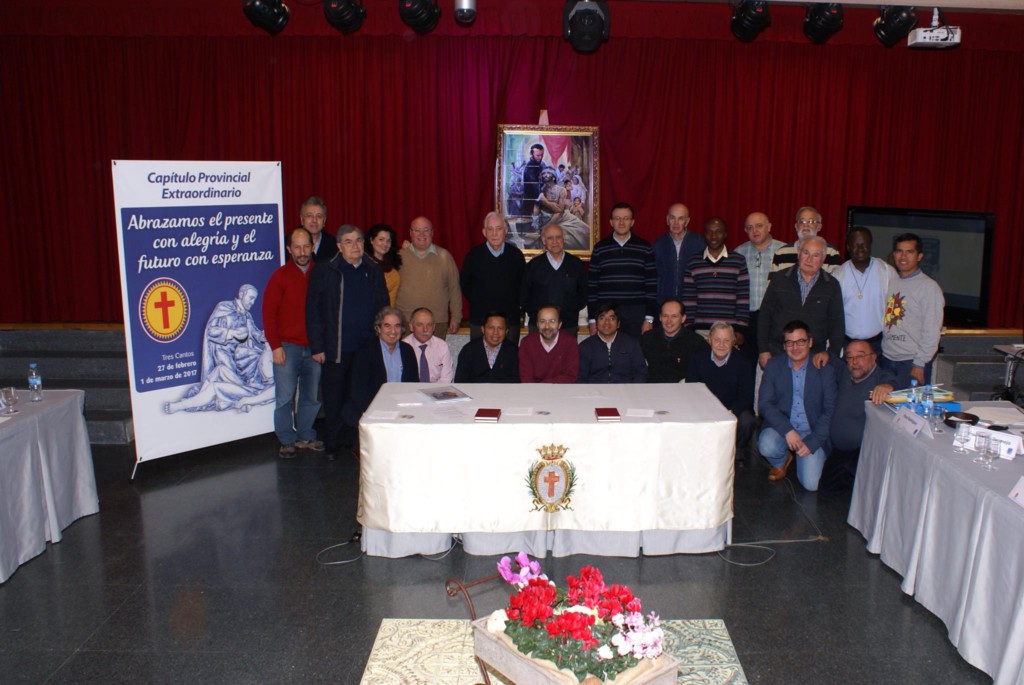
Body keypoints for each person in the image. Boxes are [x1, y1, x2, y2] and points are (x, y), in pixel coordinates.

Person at [306, 225, 389, 460]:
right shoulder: (326, 270)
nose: (355, 246)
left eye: (359, 241)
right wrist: (317, 346)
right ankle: (332, 444)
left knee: (360, 396)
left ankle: (355, 442)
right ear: (339, 246)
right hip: (335, 348)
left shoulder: (373, 269)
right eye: (349, 242)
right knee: (334, 398)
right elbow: (313, 311)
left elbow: (383, 306)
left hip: (366, 348)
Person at [262, 228, 323, 458]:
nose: (302, 251)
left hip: (315, 347)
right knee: (285, 397)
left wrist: (322, 345)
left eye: (306, 246)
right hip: (287, 347)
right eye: (297, 247)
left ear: (312, 246)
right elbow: (268, 313)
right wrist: (275, 346)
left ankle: (305, 435)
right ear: (289, 249)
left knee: (311, 396)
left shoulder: (321, 274)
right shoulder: (279, 277)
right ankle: (286, 439)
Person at [757, 320, 837, 490]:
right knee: (766, 445)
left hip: (812, 431)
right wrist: (787, 430)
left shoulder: (824, 369)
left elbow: (830, 411)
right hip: (784, 428)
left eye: (801, 341)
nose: (795, 347)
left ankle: (805, 455)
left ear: (810, 342)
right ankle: (781, 461)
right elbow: (764, 404)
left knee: (811, 484)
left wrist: (813, 442)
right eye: (790, 342)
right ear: (784, 345)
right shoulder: (773, 366)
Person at [758, 235, 845, 370]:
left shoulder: (832, 285)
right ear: (798, 253)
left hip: (814, 358)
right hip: (778, 353)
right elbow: (764, 315)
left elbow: (837, 325)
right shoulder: (779, 279)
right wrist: (763, 350)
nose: (809, 260)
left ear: (823, 259)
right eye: (806, 253)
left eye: (815, 255)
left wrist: (831, 354)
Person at [820, 340, 896, 494]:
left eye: (860, 356)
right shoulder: (845, 372)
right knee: (825, 490)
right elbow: (832, 358)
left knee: (865, 491)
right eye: (850, 357)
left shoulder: (879, 378)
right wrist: (824, 354)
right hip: (839, 450)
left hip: (862, 451)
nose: (854, 361)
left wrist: (888, 386)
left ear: (873, 358)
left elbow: (895, 380)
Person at [686, 322, 757, 465]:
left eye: (726, 340)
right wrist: (709, 410)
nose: (721, 345)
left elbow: (746, 397)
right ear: (709, 340)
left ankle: (737, 451)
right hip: (705, 407)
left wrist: (728, 412)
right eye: (717, 340)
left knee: (748, 420)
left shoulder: (744, 362)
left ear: (734, 341)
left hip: (733, 409)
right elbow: (692, 388)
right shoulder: (698, 358)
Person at [880, 233, 945, 389]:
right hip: (887, 359)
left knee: (909, 405)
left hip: (911, 363)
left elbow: (931, 330)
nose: (903, 256)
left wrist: (919, 364)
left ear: (919, 256)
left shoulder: (929, 287)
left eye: (909, 252)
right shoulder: (892, 282)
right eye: (899, 251)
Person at [587, 202, 658, 339]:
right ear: (611, 222)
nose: (621, 222)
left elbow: (651, 285)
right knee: (607, 351)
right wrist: (592, 319)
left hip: (636, 314)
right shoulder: (600, 248)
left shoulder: (644, 248)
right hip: (607, 313)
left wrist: (649, 319)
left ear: (632, 222)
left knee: (635, 350)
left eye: (626, 218)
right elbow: (592, 287)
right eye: (617, 218)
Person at [343, 307, 418, 432]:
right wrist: (378, 411)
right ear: (378, 328)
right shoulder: (365, 352)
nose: (393, 331)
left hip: (402, 407)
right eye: (387, 326)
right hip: (373, 406)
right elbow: (358, 390)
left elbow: (413, 384)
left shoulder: (408, 351)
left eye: (397, 326)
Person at [460, 212, 525, 342]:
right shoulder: (473, 256)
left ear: (506, 231)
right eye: (490, 229)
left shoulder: (516, 256)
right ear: (484, 232)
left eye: (498, 229)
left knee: (509, 354)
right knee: (478, 354)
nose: (494, 234)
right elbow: (465, 285)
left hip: (509, 321)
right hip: (480, 319)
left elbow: (524, 286)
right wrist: (481, 301)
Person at [394, 216, 463, 340]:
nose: (422, 234)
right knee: (406, 353)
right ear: (410, 233)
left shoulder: (445, 256)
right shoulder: (398, 256)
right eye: (417, 230)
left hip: (437, 322)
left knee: (434, 353)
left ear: (432, 233)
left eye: (426, 230)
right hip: (406, 321)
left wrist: (456, 317)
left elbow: (454, 289)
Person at [681, 217, 750, 339]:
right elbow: (689, 299)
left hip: (728, 330)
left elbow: (743, 298)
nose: (713, 236)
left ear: (725, 234)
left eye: (718, 232)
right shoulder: (693, 261)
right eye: (710, 232)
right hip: (700, 331)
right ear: (704, 234)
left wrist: (740, 330)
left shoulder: (738, 261)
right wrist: (689, 328)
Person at [834, 226, 895, 353]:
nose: (860, 248)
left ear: (870, 245)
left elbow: (896, 309)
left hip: (879, 343)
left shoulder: (887, 272)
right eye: (856, 245)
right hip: (847, 343)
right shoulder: (837, 275)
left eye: (864, 244)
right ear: (848, 247)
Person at [520, 222, 588, 331]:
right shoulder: (533, 265)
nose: (555, 241)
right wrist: (537, 314)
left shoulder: (576, 264)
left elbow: (584, 294)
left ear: (563, 239)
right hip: (539, 327)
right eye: (550, 238)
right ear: (544, 241)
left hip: (568, 326)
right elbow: (524, 296)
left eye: (558, 237)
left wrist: (570, 311)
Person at [734, 211, 785, 354]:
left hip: (775, 318)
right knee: (746, 362)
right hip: (746, 320)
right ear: (745, 230)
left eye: (759, 226)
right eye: (750, 227)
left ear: (769, 227)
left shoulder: (785, 251)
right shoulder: (738, 253)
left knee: (774, 361)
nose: (754, 230)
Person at [641, 299, 708, 383]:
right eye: (665, 316)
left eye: (674, 316)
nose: (669, 321)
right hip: (652, 388)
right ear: (660, 317)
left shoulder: (696, 342)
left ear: (683, 318)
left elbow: (704, 371)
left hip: (684, 388)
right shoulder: (647, 338)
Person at [578, 303, 647, 383]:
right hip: (594, 390)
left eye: (612, 318)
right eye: (602, 318)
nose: (607, 322)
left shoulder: (631, 344)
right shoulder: (585, 347)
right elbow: (580, 377)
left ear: (618, 324)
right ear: (596, 323)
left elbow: (641, 373)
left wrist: (632, 389)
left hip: (626, 389)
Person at [653, 203, 706, 304]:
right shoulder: (658, 245)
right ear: (667, 220)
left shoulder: (699, 243)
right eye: (672, 218)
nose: (676, 223)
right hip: (664, 303)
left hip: (692, 302)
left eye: (681, 219)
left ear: (687, 221)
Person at [770, 206, 841, 274]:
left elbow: (835, 281)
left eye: (811, 222)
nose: (806, 225)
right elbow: (773, 281)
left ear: (819, 227)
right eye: (802, 221)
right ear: (796, 226)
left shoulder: (831, 253)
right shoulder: (781, 253)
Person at [519, 305, 579, 383]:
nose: (547, 326)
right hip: (534, 390)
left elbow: (571, 377)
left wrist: (543, 385)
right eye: (542, 321)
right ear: (537, 324)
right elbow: (526, 379)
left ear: (559, 324)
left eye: (552, 321)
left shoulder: (570, 342)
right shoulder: (527, 343)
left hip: (561, 389)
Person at [454, 312, 520, 383]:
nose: (495, 332)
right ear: (483, 329)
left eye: (500, 328)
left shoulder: (514, 352)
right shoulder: (468, 350)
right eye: (491, 328)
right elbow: (460, 381)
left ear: (506, 331)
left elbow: (518, 382)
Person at [403, 307, 454, 384]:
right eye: (420, 325)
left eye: (429, 325)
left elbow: (446, 378)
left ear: (434, 327)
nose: (425, 329)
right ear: (411, 327)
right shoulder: (403, 347)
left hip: (437, 389)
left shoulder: (442, 346)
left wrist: (433, 390)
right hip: (410, 389)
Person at [367, 224, 403, 306]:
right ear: (371, 240)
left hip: (389, 312)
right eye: (381, 239)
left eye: (388, 241)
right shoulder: (364, 264)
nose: (385, 244)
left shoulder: (393, 262)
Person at [299, 196, 337, 263]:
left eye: (319, 216)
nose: (314, 220)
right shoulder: (289, 243)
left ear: (324, 220)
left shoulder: (334, 245)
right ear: (302, 219)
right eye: (309, 216)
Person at [521, 143, 547, 216]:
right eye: (537, 155)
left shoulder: (542, 164)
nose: (540, 157)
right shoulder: (529, 168)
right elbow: (535, 186)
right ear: (531, 154)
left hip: (541, 199)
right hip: (531, 201)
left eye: (542, 155)